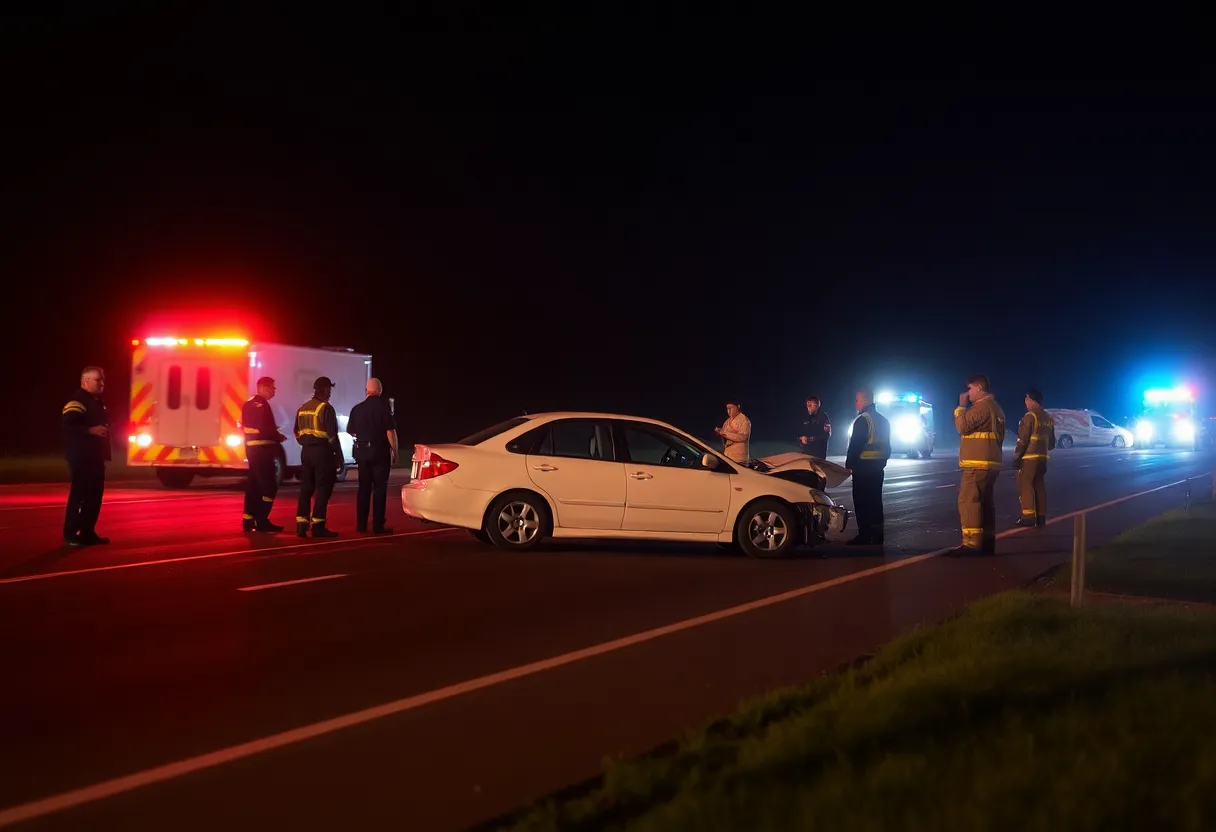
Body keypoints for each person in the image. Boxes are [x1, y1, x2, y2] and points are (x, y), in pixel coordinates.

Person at [951, 373, 1006, 555]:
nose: (968, 393)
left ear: (979, 388)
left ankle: (971, 544)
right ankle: (987, 542)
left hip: (977, 463)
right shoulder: (997, 409)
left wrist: (960, 407)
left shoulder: (981, 407)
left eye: (970, 388)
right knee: (985, 503)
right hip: (990, 463)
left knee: (969, 501)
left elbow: (963, 426)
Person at [61, 366, 112, 546]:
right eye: (98, 380)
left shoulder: (95, 401)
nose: (102, 384)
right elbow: (68, 425)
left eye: (102, 380)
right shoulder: (77, 401)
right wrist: (90, 430)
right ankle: (71, 534)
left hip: (95, 457)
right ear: (85, 381)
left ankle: (87, 532)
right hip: (81, 457)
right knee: (79, 495)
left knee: (94, 496)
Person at [348, 377, 399, 534]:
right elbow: (390, 432)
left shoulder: (357, 409)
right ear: (380, 390)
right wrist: (395, 452)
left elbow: (351, 430)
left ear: (367, 391)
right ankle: (378, 525)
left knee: (363, 489)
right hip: (380, 454)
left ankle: (361, 525)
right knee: (379, 489)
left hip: (363, 454)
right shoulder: (384, 408)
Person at [294, 376, 342, 538]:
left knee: (306, 488)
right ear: (323, 389)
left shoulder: (303, 407)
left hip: (306, 452)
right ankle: (318, 526)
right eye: (329, 389)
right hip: (322, 452)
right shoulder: (325, 408)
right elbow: (332, 437)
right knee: (323, 488)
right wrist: (338, 457)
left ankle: (301, 524)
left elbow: (296, 432)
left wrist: (305, 442)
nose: (330, 392)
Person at [240, 376, 287, 533]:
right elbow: (263, 428)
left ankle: (248, 519)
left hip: (251, 449)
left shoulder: (248, 403)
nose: (274, 391)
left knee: (254, 485)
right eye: (272, 388)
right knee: (269, 486)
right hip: (263, 449)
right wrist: (277, 436)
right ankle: (262, 519)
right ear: (264, 387)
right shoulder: (262, 405)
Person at [844, 388, 890, 545]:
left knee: (862, 502)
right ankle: (877, 535)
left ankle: (864, 535)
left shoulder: (863, 420)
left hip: (863, 469)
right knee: (876, 501)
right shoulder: (883, 420)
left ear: (864, 401)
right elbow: (887, 447)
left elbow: (855, 446)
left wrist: (849, 464)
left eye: (857, 400)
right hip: (878, 468)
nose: (855, 403)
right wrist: (882, 462)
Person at [1013, 388, 1055, 527]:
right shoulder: (1048, 417)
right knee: (1039, 486)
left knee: (1025, 485)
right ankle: (1041, 517)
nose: (1025, 402)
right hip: (1042, 458)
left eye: (1027, 399)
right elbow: (1052, 442)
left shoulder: (1029, 417)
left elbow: (1022, 440)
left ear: (1032, 400)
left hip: (1029, 458)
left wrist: (1017, 457)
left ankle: (1028, 517)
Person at [714, 399, 752, 464]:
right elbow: (723, 434)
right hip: (728, 456)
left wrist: (724, 433)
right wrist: (719, 432)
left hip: (739, 458)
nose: (729, 411)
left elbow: (743, 437)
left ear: (738, 407)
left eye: (731, 408)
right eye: (727, 409)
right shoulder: (727, 421)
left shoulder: (744, 420)